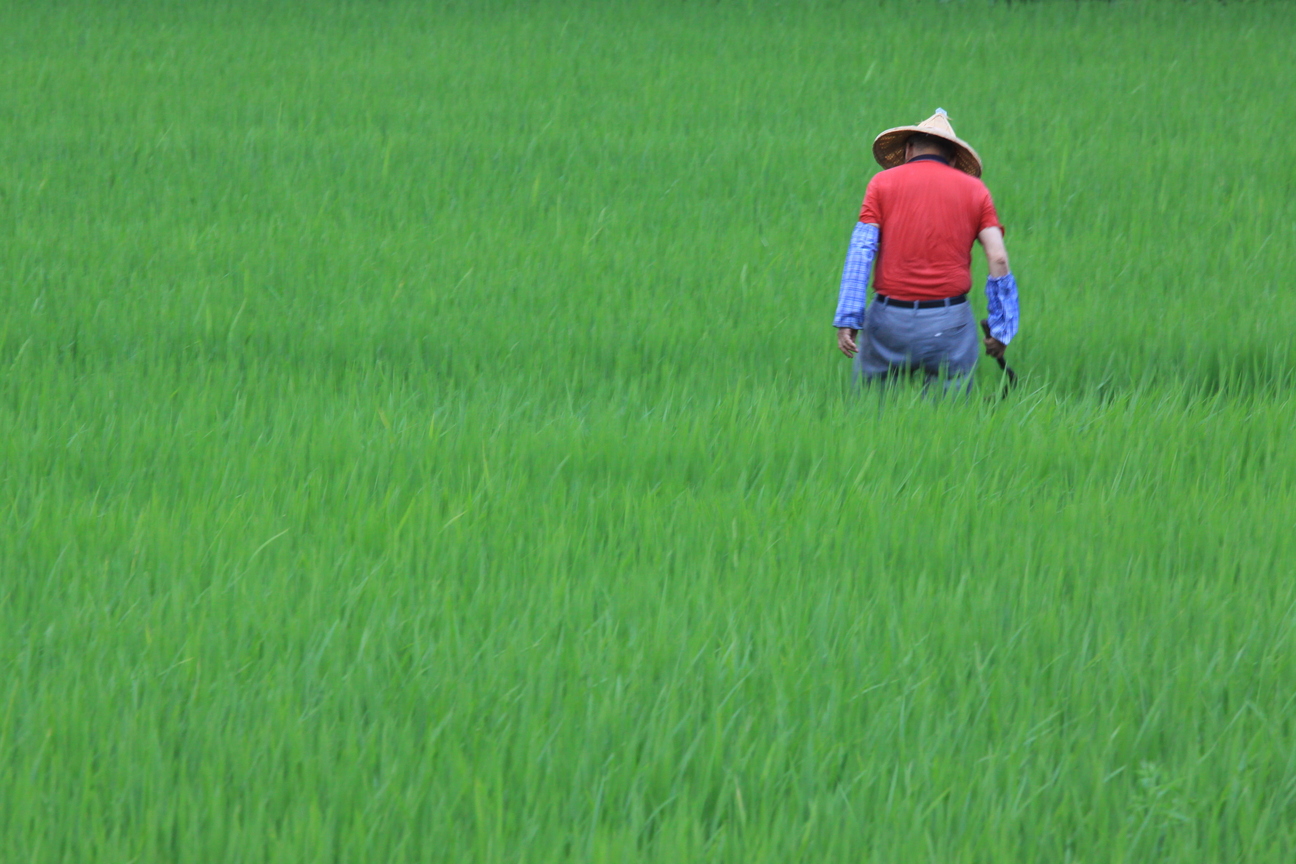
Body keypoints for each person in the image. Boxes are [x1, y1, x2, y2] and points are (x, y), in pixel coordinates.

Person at [832, 109, 1019, 393]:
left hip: (888, 321)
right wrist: (1002, 329)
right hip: (950, 323)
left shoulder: (881, 184)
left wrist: (849, 317)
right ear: (954, 158)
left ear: (908, 149)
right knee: (950, 421)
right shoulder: (975, 191)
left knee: (870, 415)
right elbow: (998, 257)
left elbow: (861, 250)